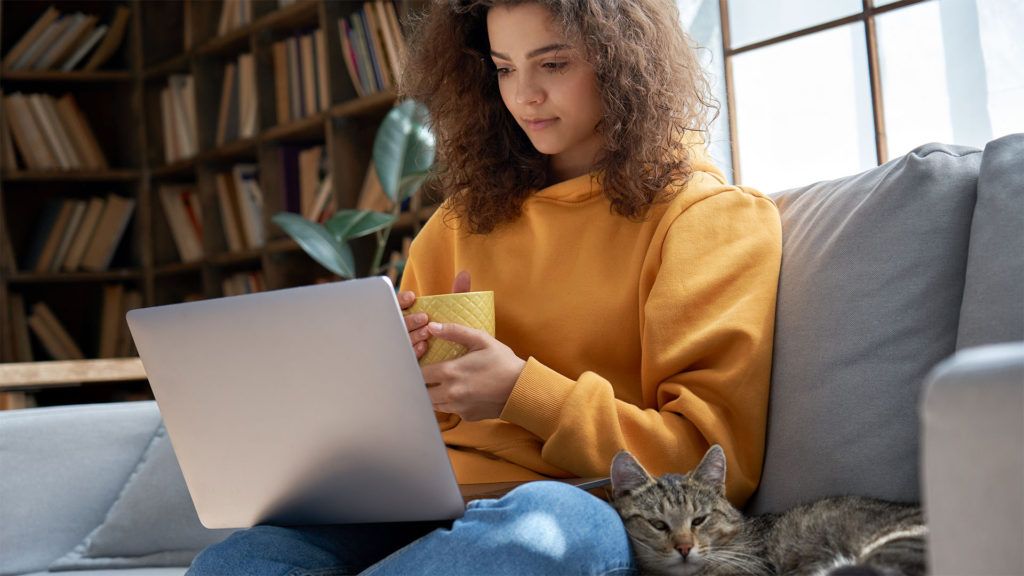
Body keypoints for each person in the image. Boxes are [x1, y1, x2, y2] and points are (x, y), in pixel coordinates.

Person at [188, 0, 781, 574]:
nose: (524, 95)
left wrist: (521, 391)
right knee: (236, 561)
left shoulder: (708, 219)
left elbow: (706, 457)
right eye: (503, 68)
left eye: (553, 64)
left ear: (624, 63)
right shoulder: (459, 221)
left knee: (545, 533)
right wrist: (397, 376)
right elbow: (422, 427)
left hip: (581, 502)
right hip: (425, 502)